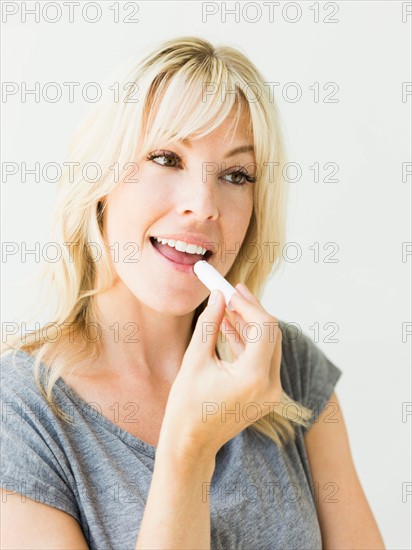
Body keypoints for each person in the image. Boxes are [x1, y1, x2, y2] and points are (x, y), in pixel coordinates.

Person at [0, 36, 385, 549]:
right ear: (100, 183)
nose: (204, 205)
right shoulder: (18, 415)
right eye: (166, 158)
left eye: (235, 174)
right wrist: (190, 449)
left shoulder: (289, 366)